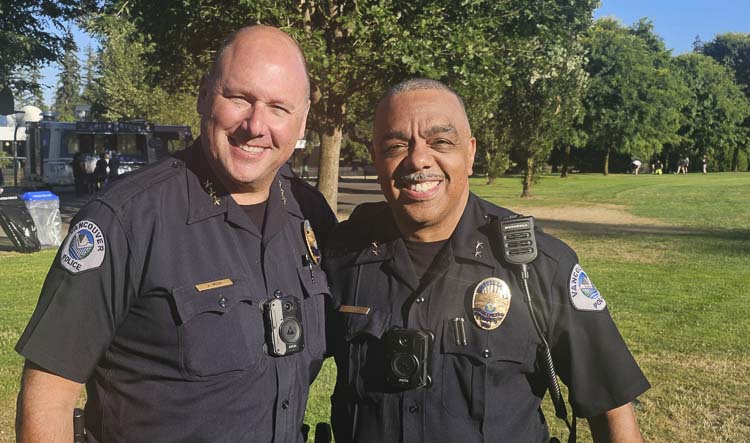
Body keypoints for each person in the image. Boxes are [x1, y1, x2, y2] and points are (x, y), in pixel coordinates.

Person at [15, 25, 337, 442]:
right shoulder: (125, 219)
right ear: (204, 96)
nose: (256, 125)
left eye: (279, 107)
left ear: (303, 119)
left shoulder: (309, 214)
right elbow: (48, 397)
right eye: (239, 98)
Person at [323, 79, 650, 443]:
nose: (417, 159)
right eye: (396, 145)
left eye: (440, 142)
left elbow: (612, 407)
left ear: (471, 153)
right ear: (376, 158)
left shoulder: (537, 265)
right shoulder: (341, 258)